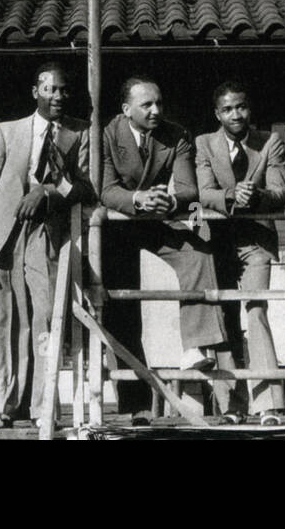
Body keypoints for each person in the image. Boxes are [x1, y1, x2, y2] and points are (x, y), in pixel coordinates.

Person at [0, 61, 92, 429]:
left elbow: (85, 187)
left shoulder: (78, 133)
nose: (57, 96)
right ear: (35, 92)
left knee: (44, 318)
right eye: (49, 89)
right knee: (2, 321)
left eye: (63, 90)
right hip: (3, 236)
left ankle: (42, 405)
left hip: (46, 234)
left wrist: (49, 191)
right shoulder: (6, 132)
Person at [100, 76, 227, 426]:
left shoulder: (177, 135)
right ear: (127, 110)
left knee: (198, 252)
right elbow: (106, 189)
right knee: (122, 311)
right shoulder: (106, 135)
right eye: (147, 105)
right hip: (117, 225)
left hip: (159, 217)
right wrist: (138, 199)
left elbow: (188, 189)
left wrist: (168, 199)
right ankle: (136, 404)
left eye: (159, 103)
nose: (157, 110)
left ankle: (194, 347)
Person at [195, 81, 285, 427]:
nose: (237, 115)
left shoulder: (270, 142)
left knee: (257, 311)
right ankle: (231, 404)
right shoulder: (204, 143)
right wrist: (233, 194)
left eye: (242, 107)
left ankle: (268, 405)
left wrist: (258, 195)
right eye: (229, 109)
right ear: (217, 114)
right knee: (223, 319)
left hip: (256, 241)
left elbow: (280, 192)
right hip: (217, 242)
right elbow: (204, 192)